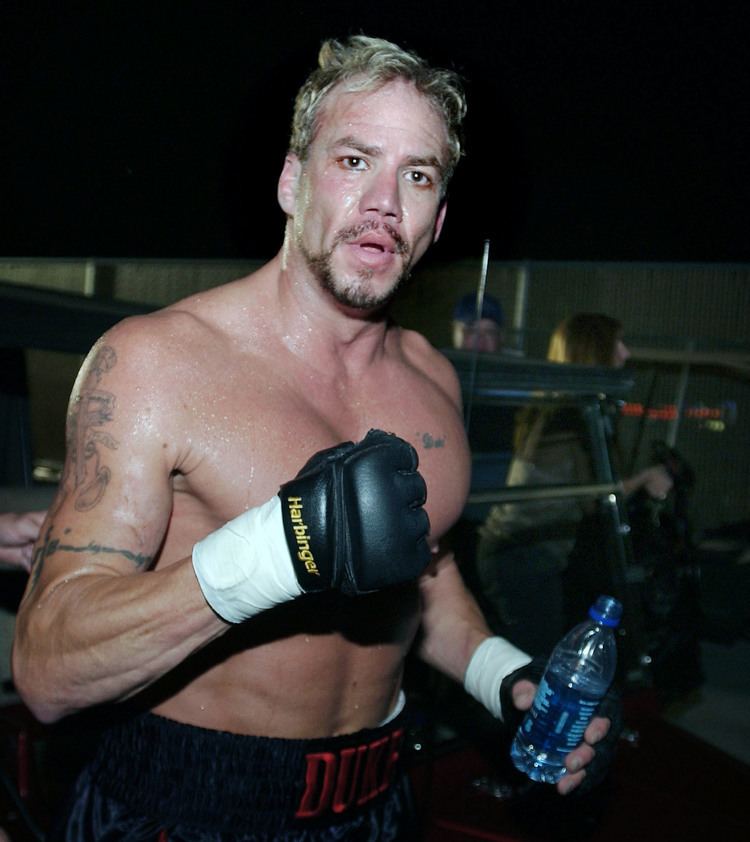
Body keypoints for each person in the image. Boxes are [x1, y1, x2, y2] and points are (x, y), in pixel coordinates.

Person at [12, 38, 615, 841]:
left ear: (438, 222)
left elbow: (425, 576)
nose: (384, 203)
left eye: (418, 174)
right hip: (184, 806)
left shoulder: (432, 379)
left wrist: (503, 675)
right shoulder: (155, 364)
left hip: (378, 799)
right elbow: (49, 669)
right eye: (356, 160)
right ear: (293, 182)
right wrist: (276, 551)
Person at [476, 312, 673, 655]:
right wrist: (646, 477)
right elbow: (595, 498)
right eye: (617, 344)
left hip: (520, 555)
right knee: (533, 665)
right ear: (594, 351)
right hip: (521, 558)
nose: (625, 354)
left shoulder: (562, 405)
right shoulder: (570, 415)